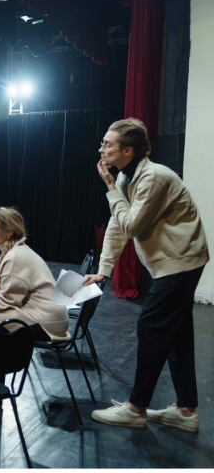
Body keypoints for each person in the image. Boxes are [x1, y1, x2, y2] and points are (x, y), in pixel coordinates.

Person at [85, 118, 209, 432]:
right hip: (173, 262)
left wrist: (111, 189)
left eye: (108, 144)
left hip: (181, 262)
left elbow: (131, 226)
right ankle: (186, 411)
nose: (101, 149)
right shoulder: (127, 176)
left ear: (128, 150)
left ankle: (136, 408)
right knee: (177, 334)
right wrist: (103, 270)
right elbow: (117, 225)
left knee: (151, 327)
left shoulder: (153, 177)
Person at [0, 207, 70, 343]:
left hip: (48, 321)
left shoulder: (15, 257)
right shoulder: (12, 252)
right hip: (46, 315)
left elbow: (8, 300)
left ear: (8, 232)